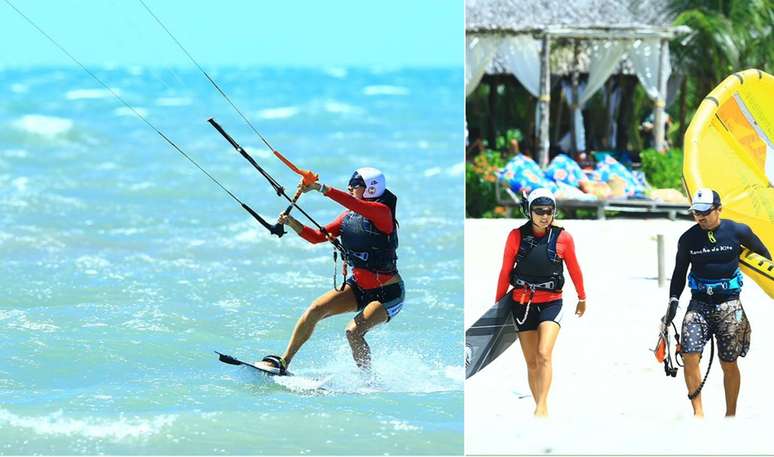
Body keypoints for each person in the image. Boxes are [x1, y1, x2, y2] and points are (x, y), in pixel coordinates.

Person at [257, 167, 404, 375]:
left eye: (355, 185)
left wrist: (319, 187)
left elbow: (353, 203)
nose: (350, 188)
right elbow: (317, 237)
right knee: (315, 309)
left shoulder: (382, 214)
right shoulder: (348, 218)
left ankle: (368, 381)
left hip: (389, 294)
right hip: (359, 287)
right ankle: (283, 362)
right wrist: (291, 222)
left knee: (353, 331)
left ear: (370, 189)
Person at [663, 188, 770, 417]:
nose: (700, 217)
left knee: (728, 362)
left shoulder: (737, 231)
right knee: (689, 355)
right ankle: (698, 414)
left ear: (719, 209)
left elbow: (765, 257)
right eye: (695, 212)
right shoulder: (688, 238)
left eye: (705, 211)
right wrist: (673, 300)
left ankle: (730, 415)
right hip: (698, 303)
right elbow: (679, 272)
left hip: (729, 305)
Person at [494, 188, 586, 416]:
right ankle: (539, 404)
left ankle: (542, 407)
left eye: (549, 211)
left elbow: (575, 270)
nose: (544, 216)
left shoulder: (563, 238)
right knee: (532, 361)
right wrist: (497, 305)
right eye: (539, 211)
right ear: (529, 211)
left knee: (544, 353)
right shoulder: (515, 236)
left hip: (551, 302)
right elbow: (505, 272)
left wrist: (582, 297)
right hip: (521, 303)